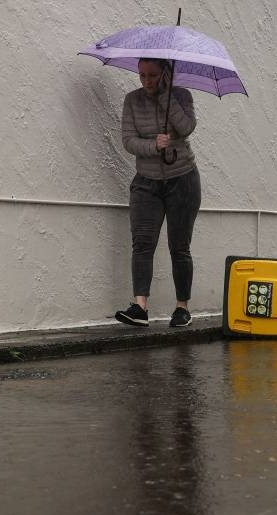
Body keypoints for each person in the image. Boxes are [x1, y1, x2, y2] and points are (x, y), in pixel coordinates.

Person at [115, 58, 201, 328]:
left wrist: (166, 97)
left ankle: (182, 307)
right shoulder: (132, 100)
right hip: (146, 182)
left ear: (165, 73)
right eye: (142, 75)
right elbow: (128, 141)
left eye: (152, 75)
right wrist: (154, 144)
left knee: (179, 246)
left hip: (182, 179)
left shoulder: (182, 95)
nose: (147, 81)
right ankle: (140, 307)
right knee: (142, 243)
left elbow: (187, 127)